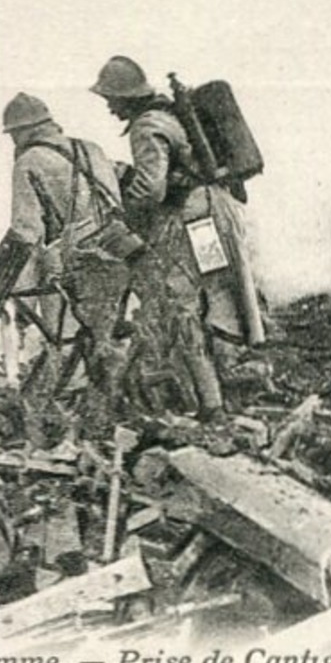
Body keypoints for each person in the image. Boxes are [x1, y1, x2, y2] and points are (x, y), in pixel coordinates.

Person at [90, 55, 264, 419]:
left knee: (183, 303)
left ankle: (212, 404)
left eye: (111, 100)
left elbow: (151, 189)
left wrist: (123, 206)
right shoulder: (169, 115)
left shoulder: (146, 126)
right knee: (216, 296)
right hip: (212, 210)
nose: (109, 108)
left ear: (125, 98)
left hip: (192, 218)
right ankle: (226, 392)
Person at [2, 91, 140, 442]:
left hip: (74, 264)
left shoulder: (29, 162)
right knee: (106, 341)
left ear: (22, 132)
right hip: (118, 255)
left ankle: (67, 431)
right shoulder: (91, 149)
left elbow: (26, 231)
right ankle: (108, 420)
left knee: (64, 346)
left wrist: (15, 291)